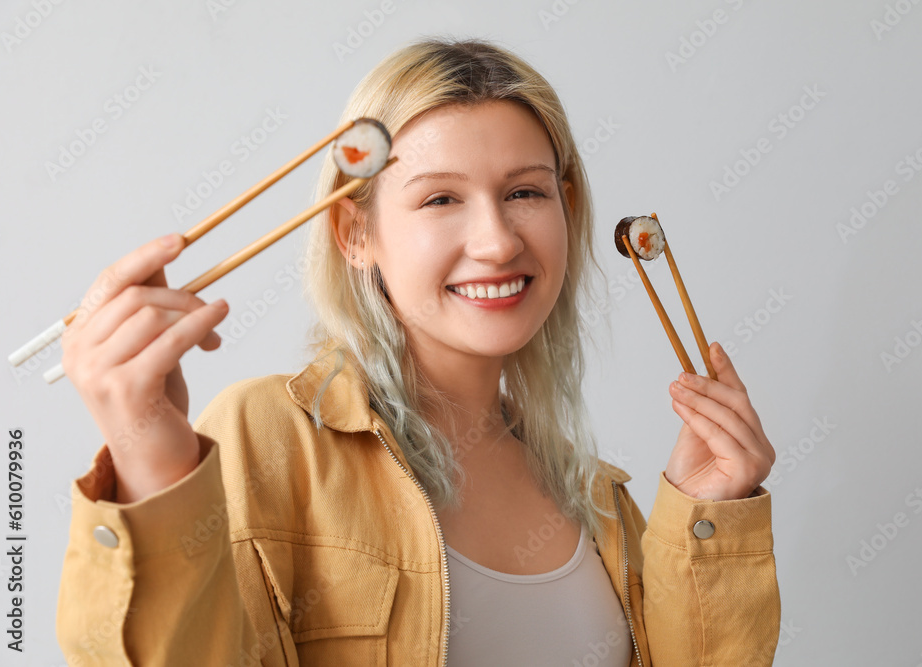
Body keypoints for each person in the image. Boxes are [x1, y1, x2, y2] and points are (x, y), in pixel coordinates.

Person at [56, 37, 780, 666]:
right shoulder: (268, 436)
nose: (498, 241)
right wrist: (148, 462)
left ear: (566, 209)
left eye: (525, 192)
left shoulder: (599, 499)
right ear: (354, 232)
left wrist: (708, 522)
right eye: (440, 199)